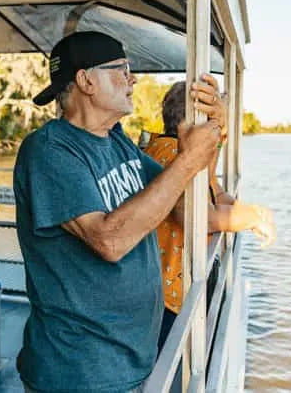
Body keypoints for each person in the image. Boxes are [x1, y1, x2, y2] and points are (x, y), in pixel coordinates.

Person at [14, 31, 227, 392]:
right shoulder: (48, 152)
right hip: (80, 373)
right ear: (86, 81)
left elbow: (178, 197)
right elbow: (109, 240)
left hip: (131, 359)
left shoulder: (116, 141)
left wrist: (215, 130)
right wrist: (188, 158)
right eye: (123, 70)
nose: (133, 80)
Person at [145, 81, 276, 391]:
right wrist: (252, 217)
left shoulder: (182, 152)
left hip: (169, 287)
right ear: (193, 123)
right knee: (165, 371)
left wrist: (247, 210)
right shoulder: (171, 155)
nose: (223, 137)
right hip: (164, 294)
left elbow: (213, 191)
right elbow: (192, 214)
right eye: (218, 127)